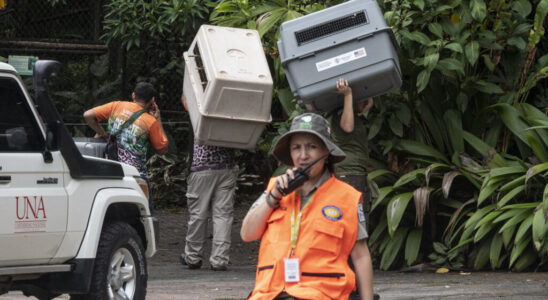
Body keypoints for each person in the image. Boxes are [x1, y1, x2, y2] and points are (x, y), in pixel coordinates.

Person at [241, 113, 374, 300]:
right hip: (270, 294)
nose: (303, 156)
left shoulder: (347, 197)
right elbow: (247, 234)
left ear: (326, 153)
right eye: (296, 148)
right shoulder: (275, 188)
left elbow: (361, 256)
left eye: (312, 147)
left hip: (322, 294)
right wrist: (274, 196)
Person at [83, 81, 168, 208]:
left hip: (112, 171)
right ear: (152, 101)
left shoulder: (116, 106)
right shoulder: (150, 121)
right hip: (136, 175)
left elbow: (88, 115)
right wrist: (158, 119)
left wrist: (103, 134)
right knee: (144, 212)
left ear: (133, 95)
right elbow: (162, 149)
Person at [179, 94, 237, 271]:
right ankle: (219, 260)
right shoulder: (231, 112)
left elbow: (185, 97)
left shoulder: (200, 110)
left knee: (198, 214)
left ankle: (193, 257)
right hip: (226, 169)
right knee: (223, 216)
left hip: (202, 169)